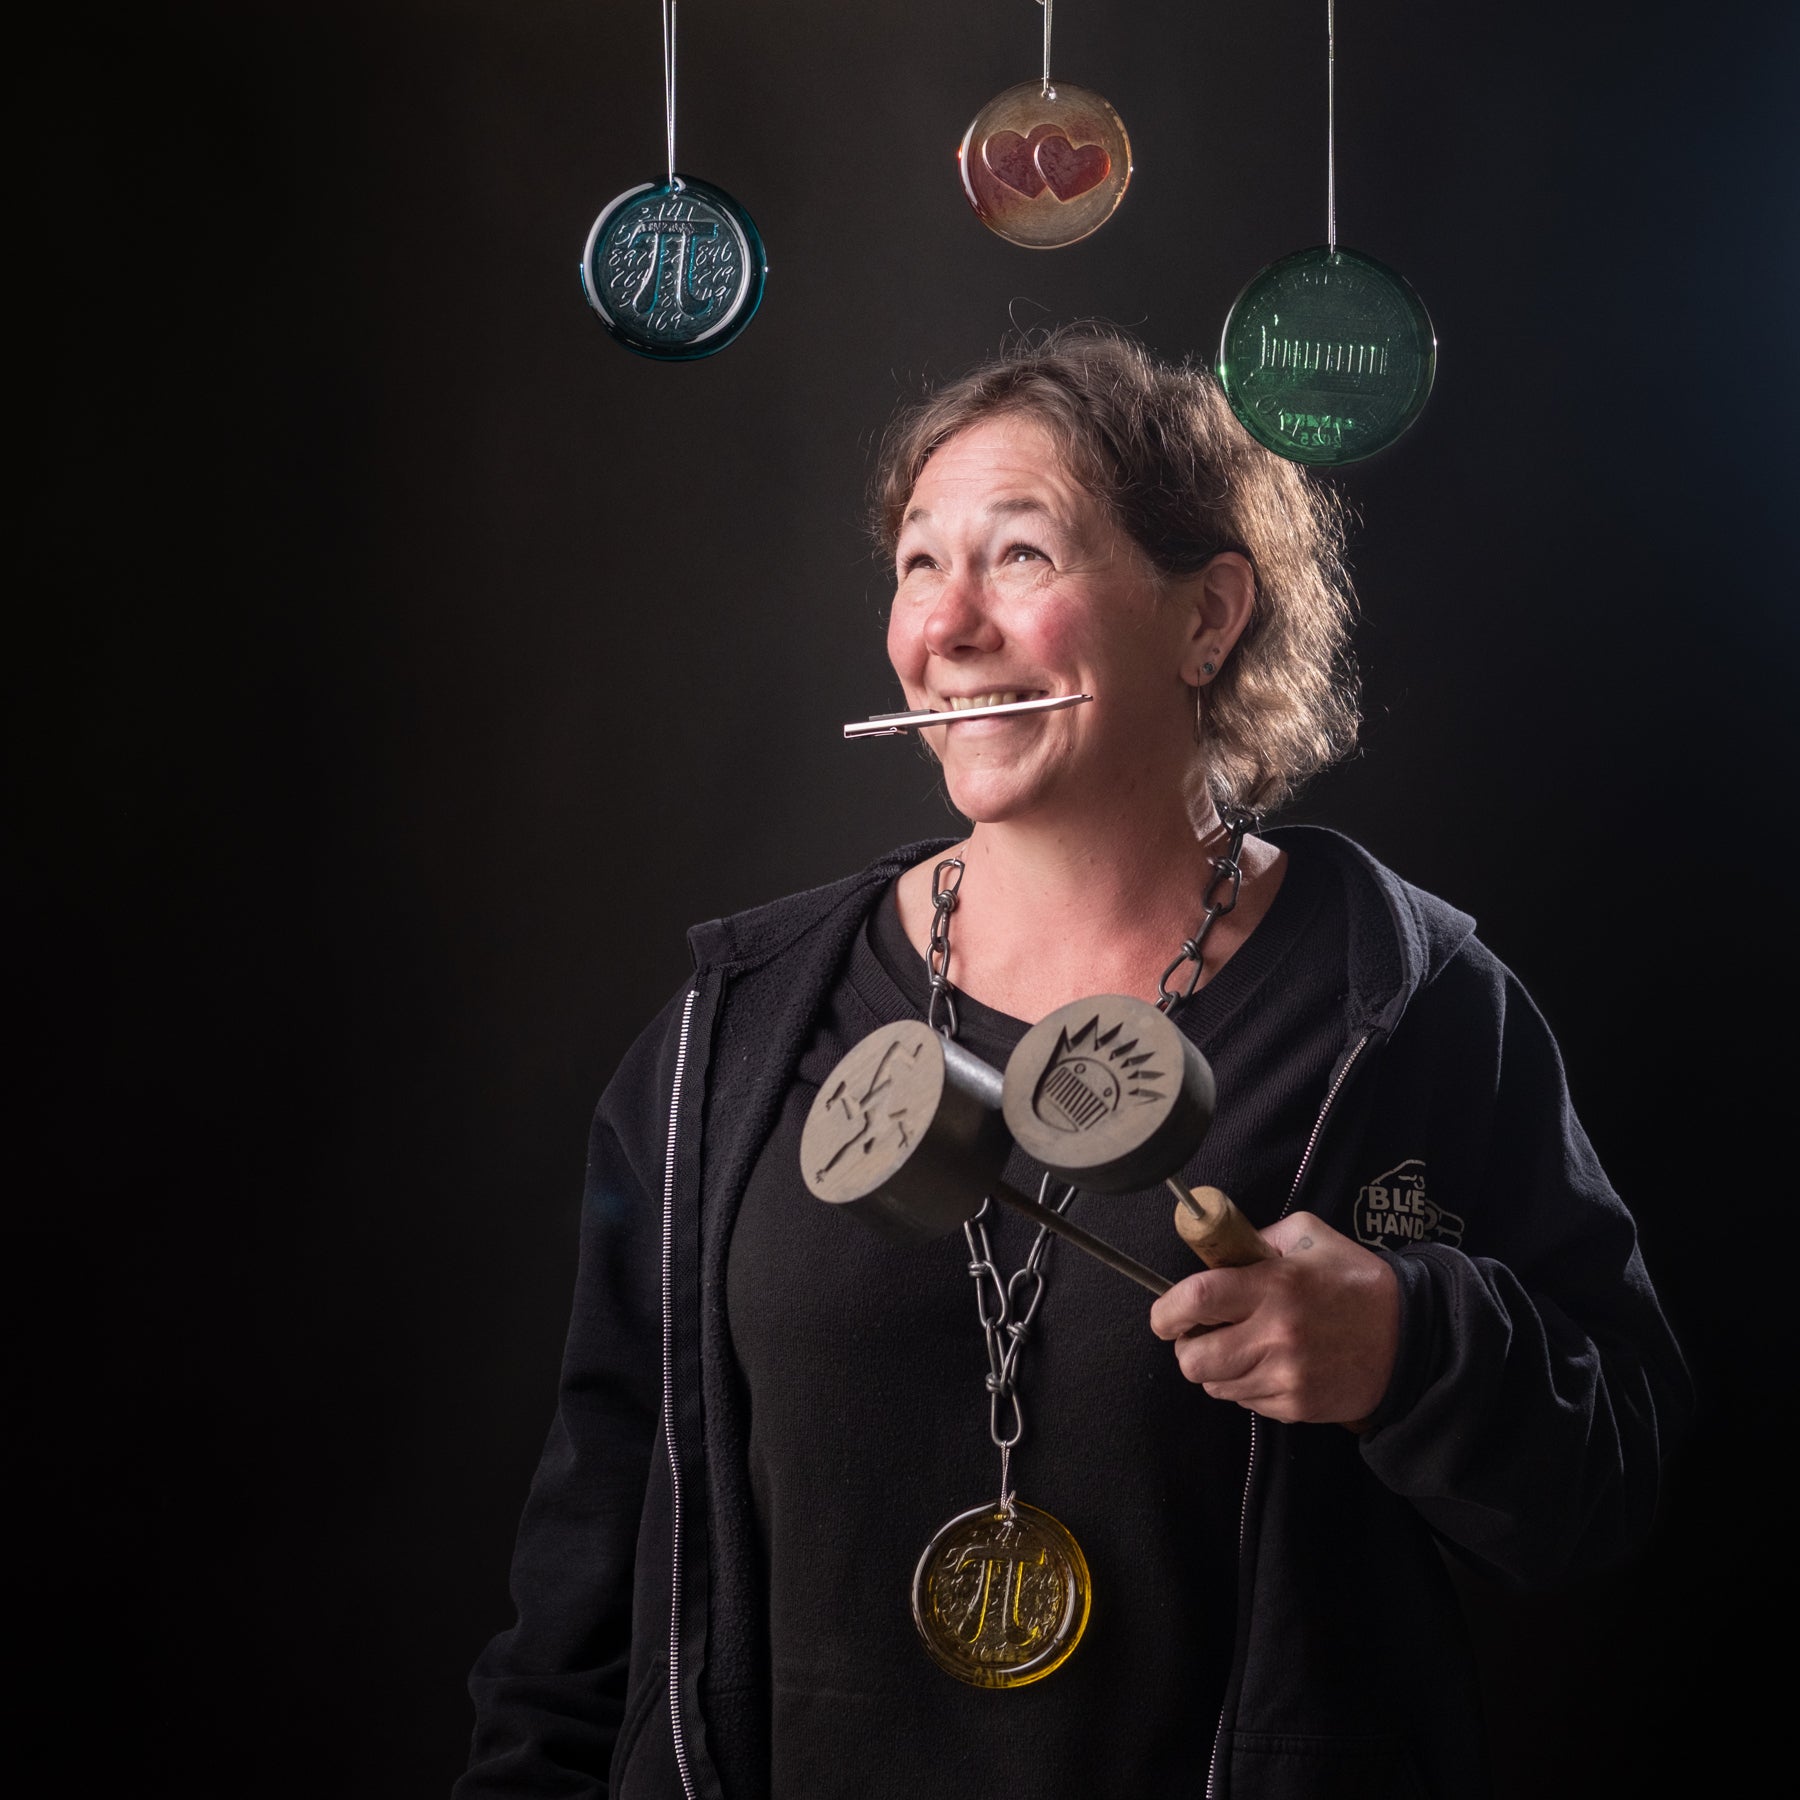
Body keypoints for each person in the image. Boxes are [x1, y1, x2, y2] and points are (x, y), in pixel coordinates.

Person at [456, 327, 1690, 1800]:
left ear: (1207, 617)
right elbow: (582, 1577)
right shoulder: (733, 1032)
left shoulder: (1410, 1008)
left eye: (1021, 556)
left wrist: (1411, 1349)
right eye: (920, 564)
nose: (948, 626)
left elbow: (1613, 1481)